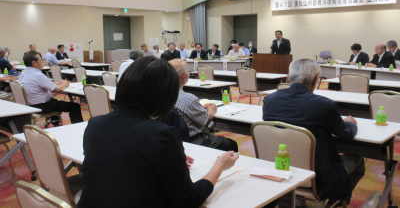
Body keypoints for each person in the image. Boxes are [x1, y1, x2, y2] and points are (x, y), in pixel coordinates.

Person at [77, 56, 239, 208]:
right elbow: (188, 200)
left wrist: (168, 159)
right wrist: (219, 166)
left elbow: (124, 162)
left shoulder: (95, 123)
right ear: (165, 95)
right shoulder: (161, 135)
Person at [263, 59, 364, 205]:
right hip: (317, 176)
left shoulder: (269, 101)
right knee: (358, 160)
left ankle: (298, 201)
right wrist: (349, 123)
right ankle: (334, 203)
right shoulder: (325, 105)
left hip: (279, 167)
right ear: (317, 80)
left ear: (287, 77)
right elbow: (345, 133)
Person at [170, 59, 238, 152]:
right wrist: (212, 109)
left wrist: (198, 108)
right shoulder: (188, 99)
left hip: (171, 140)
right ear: (185, 76)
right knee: (232, 144)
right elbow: (205, 120)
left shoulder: (156, 95)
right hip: (192, 141)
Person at [19, 51, 84, 126]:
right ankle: (78, 127)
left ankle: (55, 123)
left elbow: (43, 84)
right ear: (34, 63)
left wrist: (59, 83)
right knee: (75, 106)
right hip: (43, 106)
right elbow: (56, 89)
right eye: (41, 60)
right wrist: (64, 83)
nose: (43, 61)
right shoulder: (38, 75)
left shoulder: (24, 73)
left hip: (31, 104)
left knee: (54, 102)